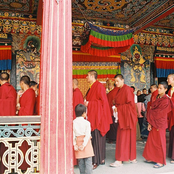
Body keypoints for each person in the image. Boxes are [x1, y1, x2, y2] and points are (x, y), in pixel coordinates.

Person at [84, 70, 112, 169]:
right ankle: (100, 158)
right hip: (93, 116)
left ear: (92, 76)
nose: (86, 78)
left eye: (87, 76)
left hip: (98, 117)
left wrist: (89, 104)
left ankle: (97, 160)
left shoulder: (99, 86)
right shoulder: (92, 87)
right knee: (95, 139)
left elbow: (103, 103)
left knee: (97, 139)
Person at [143, 82, 173, 168]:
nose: (158, 90)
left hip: (160, 123)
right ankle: (151, 157)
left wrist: (151, 113)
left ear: (165, 89)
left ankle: (160, 161)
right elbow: (152, 109)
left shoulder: (166, 100)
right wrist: (150, 123)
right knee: (152, 141)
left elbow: (159, 112)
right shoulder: (157, 97)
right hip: (153, 122)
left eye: (161, 88)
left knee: (160, 142)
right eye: (158, 88)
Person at [110, 74, 137, 167]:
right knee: (124, 138)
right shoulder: (120, 90)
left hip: (127, 118)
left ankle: (120, 159)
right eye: (115, 81)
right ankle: (128, 157)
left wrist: (119, 109)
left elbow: (131, 106)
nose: (116, 83)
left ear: (123, 80)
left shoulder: (127, 90)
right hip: (123, 116)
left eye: (118, 81)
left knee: (123, 138)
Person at [17, 75, 36, 171]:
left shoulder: (29, 93)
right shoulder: (28, 92)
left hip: (25, 123)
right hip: (23, 122)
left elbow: (27, 110)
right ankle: (23, 165)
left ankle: (25, 166)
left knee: (24, 145)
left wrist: (20, 109)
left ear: (22, 83)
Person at [0, 72, 17, 174]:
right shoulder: (13, 90)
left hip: (2, 123)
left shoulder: (2, 89)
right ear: (9, 79)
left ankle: (3, 169)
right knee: (11, 145)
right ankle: (11, 167)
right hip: (12, 123)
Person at [73, 104, 94, 174]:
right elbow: (88, 135)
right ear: (83, 113)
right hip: (86, 143)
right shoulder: (87, 123)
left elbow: (73, 135)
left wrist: (74, 144)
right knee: (88, 163)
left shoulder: (73, 123)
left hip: (78, 143)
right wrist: (84, 144)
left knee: (81, 163)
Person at [167, 74, 174, 163]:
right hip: (171, 115)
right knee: (172, 134)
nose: (167, 80)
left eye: (168, 79)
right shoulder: (170, 90)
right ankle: (171, 154)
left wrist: (170, 99)